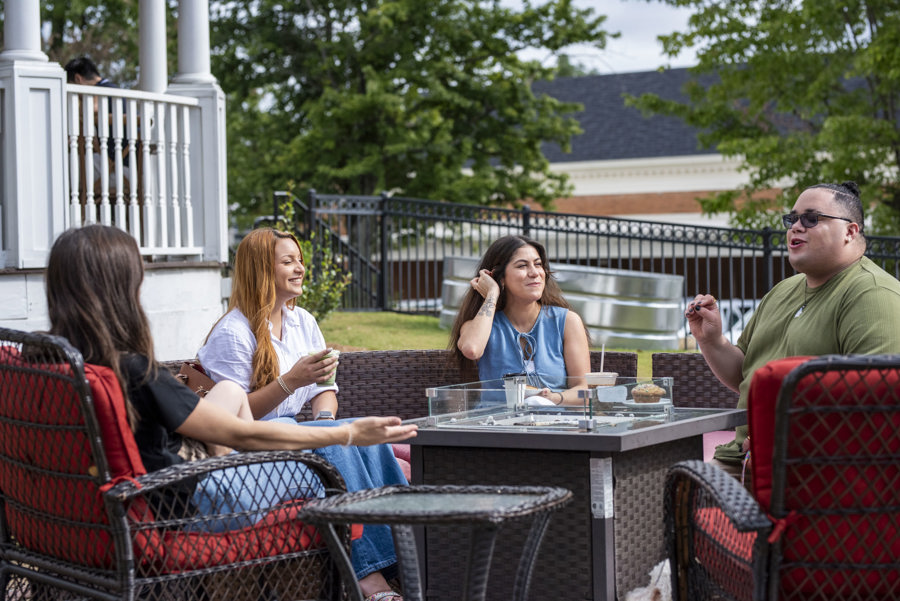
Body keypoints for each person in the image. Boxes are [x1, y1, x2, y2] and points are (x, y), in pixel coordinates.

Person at [45, 224, 415, 601]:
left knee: (255, 403)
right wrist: (346, 433)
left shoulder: (56, 364)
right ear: (121, 290)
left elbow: (225, 414)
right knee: (334, 454)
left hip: (150, 493)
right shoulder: (135, 371)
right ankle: (389, 572)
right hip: (195, 502)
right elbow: (243, 434)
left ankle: (399, 556)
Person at [198, 228, 407, 601]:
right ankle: (370, 580)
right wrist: (291, 381)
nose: (300, 268)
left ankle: (410, 555)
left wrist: (325, 422)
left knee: (368, 438)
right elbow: (235, 419)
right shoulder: (233, 333)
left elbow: (325, 389)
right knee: (334, 443)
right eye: (288, 261)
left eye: (300, 260)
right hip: (254, 446)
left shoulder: (303, 321)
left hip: (294, 432)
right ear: (263, 270)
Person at [685, 181, 900, 488]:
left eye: (811, 218)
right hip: (745, 458)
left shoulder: (873, 296)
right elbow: (746, 374)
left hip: (813, 473)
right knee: (669, 493)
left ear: (850, 232)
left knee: (681, 496)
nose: (796, 227)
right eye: (792, 219)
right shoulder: (783, 291)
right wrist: (712, 340)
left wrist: (786, 444)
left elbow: (877, 406)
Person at [449, 234, 591, 405]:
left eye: (538, 264)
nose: (535, 273)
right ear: (500, 277)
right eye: (522, 266)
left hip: (553, 419)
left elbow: (583, 390)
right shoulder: (480, 325)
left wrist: (554, 398)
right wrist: (492, 294)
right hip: (496, 420)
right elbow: (472, 349)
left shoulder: (568, 321)